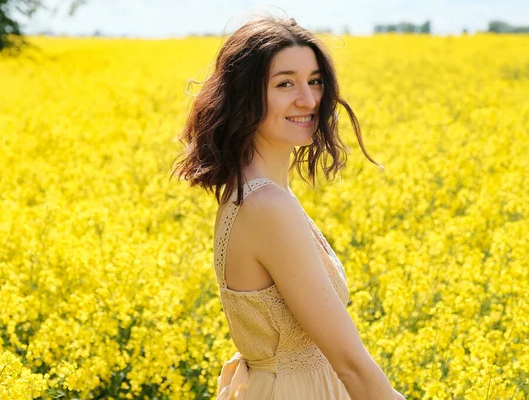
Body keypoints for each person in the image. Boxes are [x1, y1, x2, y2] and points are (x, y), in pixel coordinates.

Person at [172, 15, 405, 400]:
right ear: (245, 95)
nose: (309, 99)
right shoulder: (266, 204)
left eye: (314, 81)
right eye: (285, 84)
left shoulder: (254, 192)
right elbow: (350, 363)